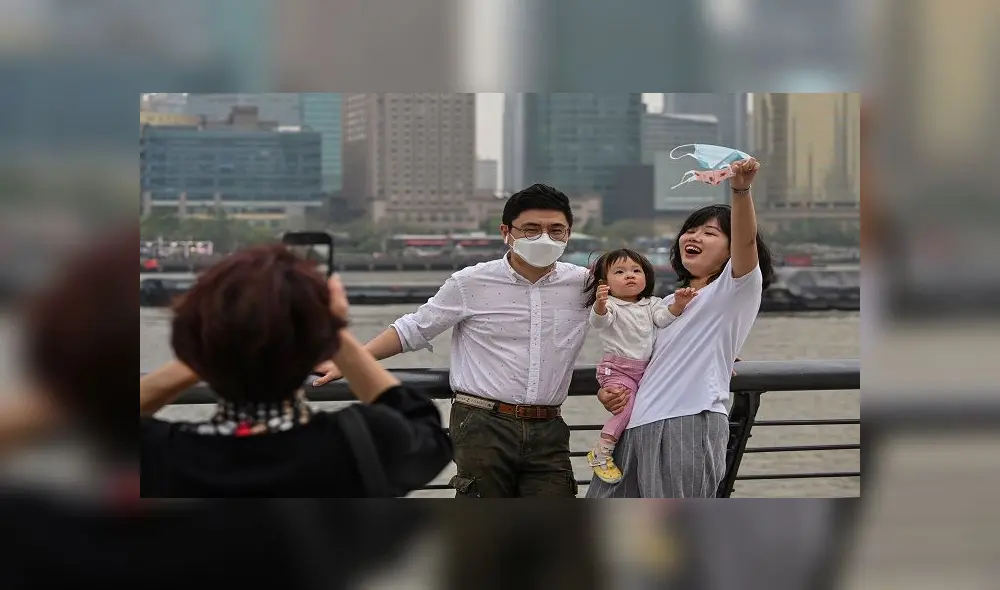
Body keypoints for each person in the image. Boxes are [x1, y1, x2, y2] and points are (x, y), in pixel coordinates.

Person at [313, 184, 591, 498]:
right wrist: (351, 362)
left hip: (550, 425)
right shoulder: (469, 282)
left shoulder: (585, 284)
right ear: (506, 232)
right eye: (531, 229)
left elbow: (637, 315)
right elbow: (414, 329)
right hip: (483, 422)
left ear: (569, 233)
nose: (544, 238)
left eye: (556, 230)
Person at [140, 244, 453, 497]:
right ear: (318, 345)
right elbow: (419, 421)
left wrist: (214, 344)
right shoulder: (361, 445)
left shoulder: (162, 457)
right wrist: (332, 329)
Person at [587, 156, 775, 498]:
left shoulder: (734, 289)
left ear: (731, 247)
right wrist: (609, 389)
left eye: (710, 233)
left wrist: (740, 188)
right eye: (690, 230)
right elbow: (641, 358)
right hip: (634, 425)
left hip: (688, 422)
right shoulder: (665, 304)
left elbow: (747, 241)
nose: (695, 236)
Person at [582, 248, 697, 484]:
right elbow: (599, 321)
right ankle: (602, 450)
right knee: (625, 407)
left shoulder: (652, 304)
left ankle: (631, 455)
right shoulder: (611, 305)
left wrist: (679, 304)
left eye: (636, 270)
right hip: (617, 369)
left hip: (643, 372)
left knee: (637, 409)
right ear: (605, 283)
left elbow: (664, 319)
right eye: (620, 272)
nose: (630, 275)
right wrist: (601, 304)